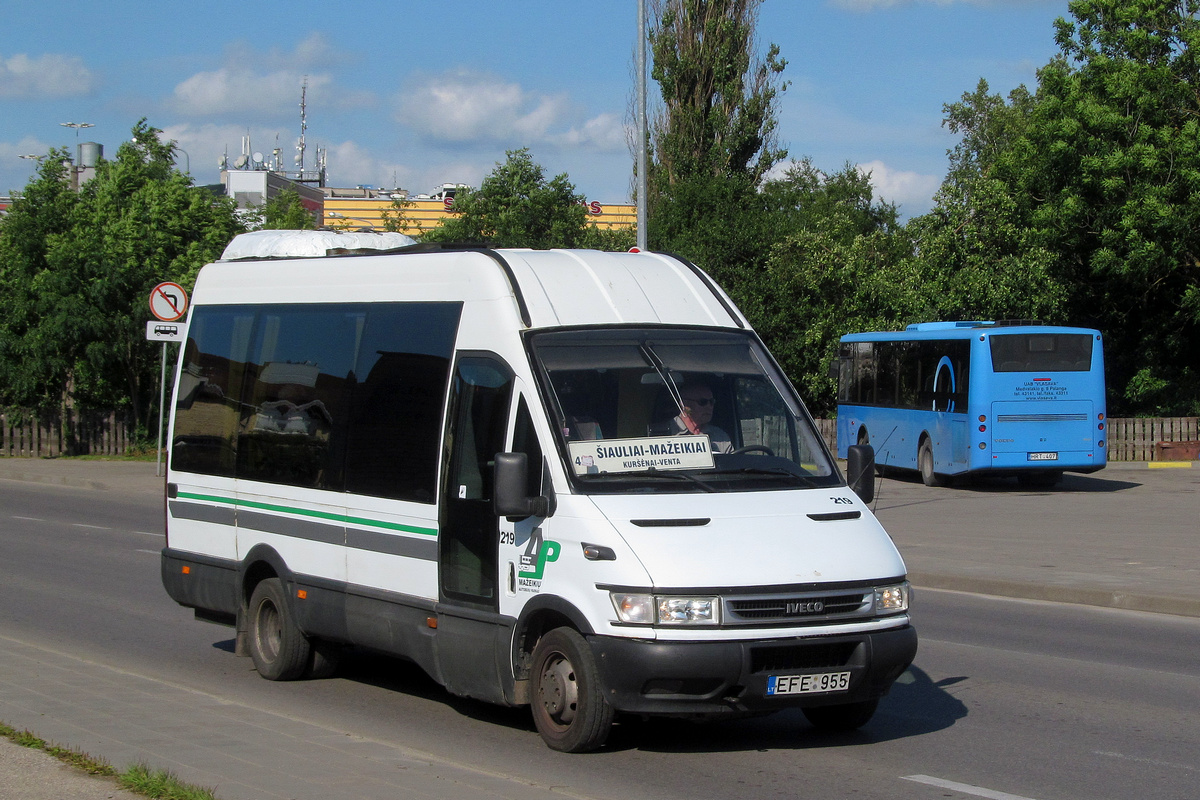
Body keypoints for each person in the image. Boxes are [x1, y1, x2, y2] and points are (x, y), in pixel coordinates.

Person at [669, 381, 732, 453]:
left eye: (711, 402)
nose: (709, 407)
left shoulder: (720, 436)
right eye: (702, 402)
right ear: (684, 404)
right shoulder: (664, 432)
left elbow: (733, 463)